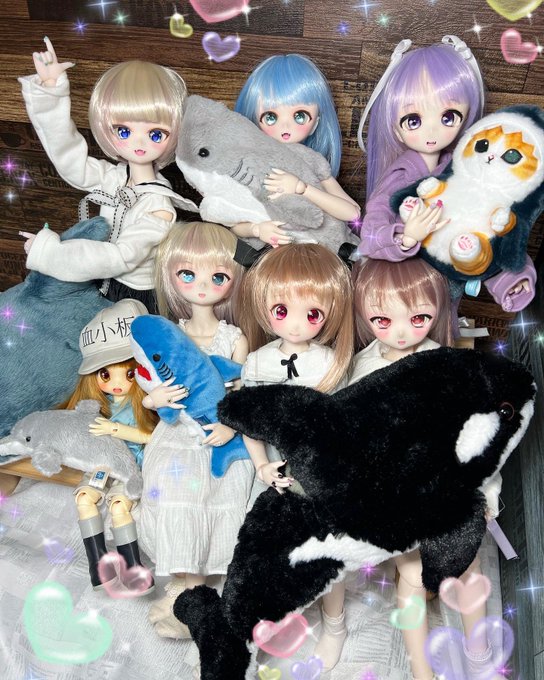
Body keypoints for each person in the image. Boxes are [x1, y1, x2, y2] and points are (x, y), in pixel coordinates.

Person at [351, 257, 502, 680]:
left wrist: (488, 492)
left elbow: (479, 437)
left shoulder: (452, 366)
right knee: (412, 575)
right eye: (383, 320)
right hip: (398, 495)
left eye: (418, 318)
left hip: (450, 489)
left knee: (467, 568)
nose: (401, 332)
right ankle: (421, 669)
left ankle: (479, 653)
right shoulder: (361, 370)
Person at [355, 35, 534, 313]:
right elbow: (371, 235)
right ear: (395, 128)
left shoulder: (465, 169)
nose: (432, 131)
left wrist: (512, 276)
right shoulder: (400, 175)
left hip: (450, 285)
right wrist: (406, 237)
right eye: (413, 120)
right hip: (408, 293)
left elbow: (491, 225)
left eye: (448, 117)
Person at [240, 243, 354, 671]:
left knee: (328, 553)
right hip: (273, 475)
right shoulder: (257, 361)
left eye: (312, 313)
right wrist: (261, 464)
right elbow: (249, 421)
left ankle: (335, 624)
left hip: (318, 477)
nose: (294, 323)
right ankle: (268, 621)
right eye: (281, 310)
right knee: (268, 552)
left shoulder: (330, 363)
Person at [18, 37, 197, 311]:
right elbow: (70, 161)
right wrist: (51, 94)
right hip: (101, 279)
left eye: (155, 134)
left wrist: (51, 253)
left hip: (138, 294)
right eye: (124, 131)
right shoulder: (114, 177)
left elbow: (120, 257)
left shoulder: (158, 206)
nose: (139, 142)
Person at [136, 221, 253, 640]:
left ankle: (197, 590)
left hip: (219, 435)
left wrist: (228, 426)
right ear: (171, 275)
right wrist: (154, 399)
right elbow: (147, 390)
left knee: (218, 494)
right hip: (176, 436)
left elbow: (244, 396)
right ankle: (185, 584)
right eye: (188, 274)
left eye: (217, 277)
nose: (203, 286)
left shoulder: (234, 339)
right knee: (173, 493)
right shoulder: (170, 335)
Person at [60, 299, 157, 591]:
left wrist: (116, 429)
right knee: (83, 498)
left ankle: (133, 567)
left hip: (131, 466)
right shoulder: (98, 403)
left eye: (128, 373)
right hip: (102, 465)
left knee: (118, 506)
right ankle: (98, 564)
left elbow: (152, 436)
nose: (117, 383)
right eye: (105, 374)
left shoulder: (146, 403)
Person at [233, 53, 360, 247]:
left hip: (316, 248)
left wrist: (303, 188)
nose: (285, 127)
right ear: (255, 121)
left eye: (300, 116)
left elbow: (352, 213)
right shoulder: (252, 165)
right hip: (275, 254)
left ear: (315, 123)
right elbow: (234, 222)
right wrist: (256, 229)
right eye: (270, 117)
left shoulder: (312, 162)